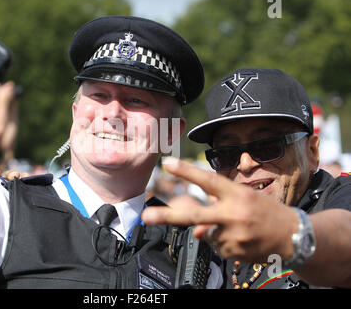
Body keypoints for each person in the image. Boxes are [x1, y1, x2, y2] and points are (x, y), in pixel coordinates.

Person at [0, 16, 223, 289]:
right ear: (75, 112)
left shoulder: (195, 255)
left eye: (136, 100)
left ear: (171, 133)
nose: (112, 113)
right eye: (98, 94)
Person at [142, 68, 351, 288]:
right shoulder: (213, 241)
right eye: (226, 153)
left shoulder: (341, 196)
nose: (245, 164)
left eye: (267, 146)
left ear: (311, 152)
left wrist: (288, 235)